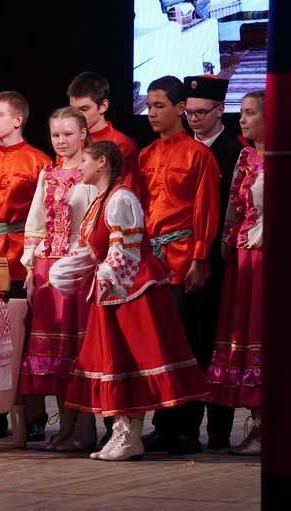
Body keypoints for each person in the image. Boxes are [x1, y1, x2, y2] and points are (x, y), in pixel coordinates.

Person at [50, 141, 210, 461]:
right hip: (114, 291)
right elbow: (94, 249)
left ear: (102, 163)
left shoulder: (122, 198)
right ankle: (122, 432)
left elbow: (127, 248)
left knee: (134, 361)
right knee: (117, 362)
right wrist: (66, 272)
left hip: (134, 291)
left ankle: (131, 435)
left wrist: (107, 278)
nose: (79, 167)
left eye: (85, 160)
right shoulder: (101, 200)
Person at [130, 76, 220, 455]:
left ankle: (187, 428)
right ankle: (163, 424)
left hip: (184, 262)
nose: (151, 113)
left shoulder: (199, 155)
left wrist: (199, 259)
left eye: (159, 106)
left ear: (180, 109)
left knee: (187, 346)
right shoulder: (146, 155)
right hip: (152, 264)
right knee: (158, 347)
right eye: (148, 106)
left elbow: (206, 211)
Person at [0, 90, 53, 438]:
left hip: (23, 257)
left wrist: (37, 260)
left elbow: (46, 216)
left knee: (26, 339)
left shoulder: (39, 161)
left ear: (17, 120)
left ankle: (33, 416)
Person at [21, 107, 97, 450]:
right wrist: (30, 269)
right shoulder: (48, 174)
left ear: (83, 134)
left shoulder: (92, 171)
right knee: (54, 353)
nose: (62, 141)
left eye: (68, 134)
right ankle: (65, 426)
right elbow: (36, 223)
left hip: (78, 268)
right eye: (56, 135)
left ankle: (85, 427)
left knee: (79, 350)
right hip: (47, 267)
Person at [184, 74, 245, 449]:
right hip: (180, 260)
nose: (194, 119)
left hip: (220, 262)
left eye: (201, 112)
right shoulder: (178, 148)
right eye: (189, 112)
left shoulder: (236, 152)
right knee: (186, 343)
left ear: (221, 110)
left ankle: (220, 429)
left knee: (217, 342)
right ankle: (182, 426)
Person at [204, 90, 265, 456]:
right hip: (245, 258)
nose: (242, 119)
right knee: (246, 334)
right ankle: (259, 424)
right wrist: (229, 241)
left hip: (270, 259)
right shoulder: (245, 156)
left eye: (250, 113)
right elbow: (234, 206)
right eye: (241, 112)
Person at [67, 71, 140, 182]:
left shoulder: (123, 145)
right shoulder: (68, 141)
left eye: (84, 109)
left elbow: (128, 188)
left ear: (103, 106)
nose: (77, 115)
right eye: (73, 110)